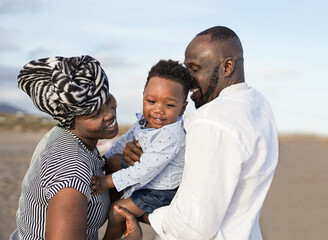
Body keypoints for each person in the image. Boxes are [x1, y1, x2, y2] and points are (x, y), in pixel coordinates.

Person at [117, 26, 279, 240]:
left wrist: (140, 209)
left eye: (194, 68)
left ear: (227, 67)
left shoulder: (211, 120)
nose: (187, 80)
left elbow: (191, 227)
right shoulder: (258, 105)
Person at [10, 55, 118, 240]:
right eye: (94, 113)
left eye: (107, 99)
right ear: (70, 119)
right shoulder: (71, 171)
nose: (109, 114)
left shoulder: (65, 136)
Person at [90, 59, 192, 239]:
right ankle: (115, 207)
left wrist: (106, 182)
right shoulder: (144, 122)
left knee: (116, 212)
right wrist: (104, 160)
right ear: (143, 96)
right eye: (151, 101)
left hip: (161, 192)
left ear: (182, 108)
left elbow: (144, 170)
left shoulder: (171, 135)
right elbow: (123, 142)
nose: (158, 110)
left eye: (169, 105)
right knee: (113, 162)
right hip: (147, 180)